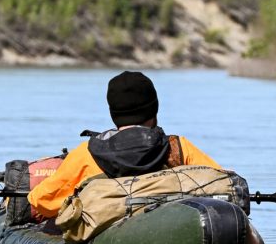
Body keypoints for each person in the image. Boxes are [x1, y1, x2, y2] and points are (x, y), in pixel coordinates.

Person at [26, 71, 220, 222]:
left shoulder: (86, 154)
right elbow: (223, 185)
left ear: (113, 114)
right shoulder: (178, 148)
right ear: (154, 110)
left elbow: (42, 201)